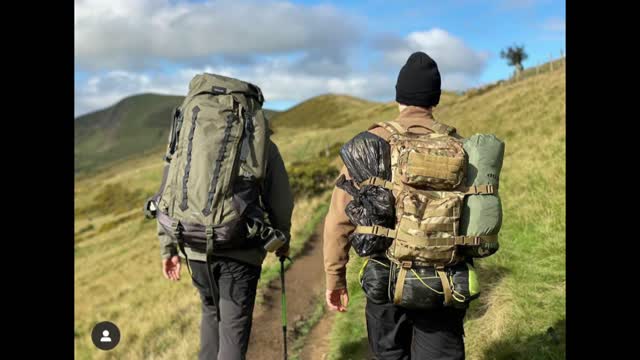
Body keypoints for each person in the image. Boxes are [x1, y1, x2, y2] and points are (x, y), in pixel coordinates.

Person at [323, 52, 467, 359]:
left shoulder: (371, 142)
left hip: (385, 278)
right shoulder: (460, 146)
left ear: (399, 97)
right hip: (444, 281)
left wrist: (335, 278)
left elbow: (339, 218)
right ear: (434, 100)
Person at [159, 133, 294, 360]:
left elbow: (166, 193)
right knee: (232, 334)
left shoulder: (188, 135)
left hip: (195, 250)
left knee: (211, 313)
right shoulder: (259, 140)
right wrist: (282, 240)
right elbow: (280, 200)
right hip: (240, 253)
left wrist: (168, 247)